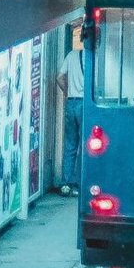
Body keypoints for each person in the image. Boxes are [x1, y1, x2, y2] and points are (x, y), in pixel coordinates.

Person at [56, 24, 85, 192]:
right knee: (84, 145)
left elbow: (60, 77)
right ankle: (80, 184)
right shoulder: (91, 57)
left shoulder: (71, 55)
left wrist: (68, 92)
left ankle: (66, 183)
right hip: (84, 105)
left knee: (70, 144)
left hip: (71, 103)